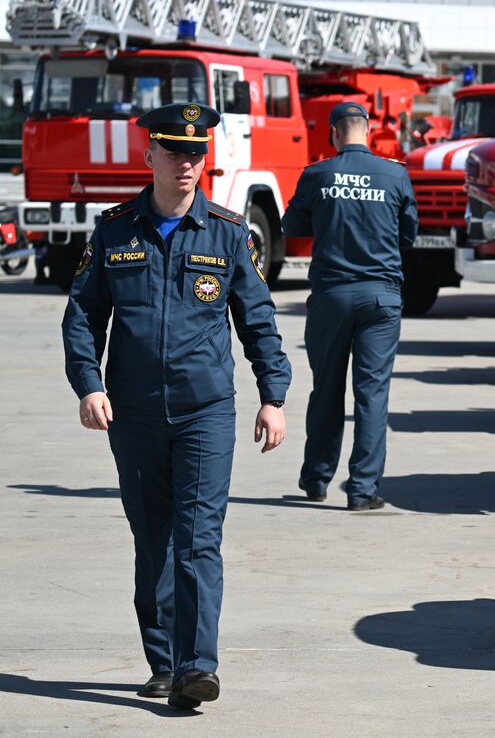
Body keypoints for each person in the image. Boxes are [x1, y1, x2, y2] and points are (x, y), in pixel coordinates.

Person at [62, 102, 292, 709]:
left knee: (197, 539)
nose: (186, 163)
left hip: (205, 411)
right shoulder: (114, 230)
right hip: (133, 413)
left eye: (195, 153)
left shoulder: (227, 231)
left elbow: (258, 320)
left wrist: (273, 395)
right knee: (153, 539)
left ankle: (198, 665)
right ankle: (163, 661)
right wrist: (89, 385)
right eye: (174, 151)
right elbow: (83, 317)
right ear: (150, 157)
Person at [283, 101, 417, 511]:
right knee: (372, 394)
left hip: (332, 296)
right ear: (368, 130)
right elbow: (408, 233)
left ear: (334, 134)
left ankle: (316, 478)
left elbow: (291, 227)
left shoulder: (317, 174)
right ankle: (361, 490)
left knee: (326, 388)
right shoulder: (395, 174)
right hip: (380, 296)